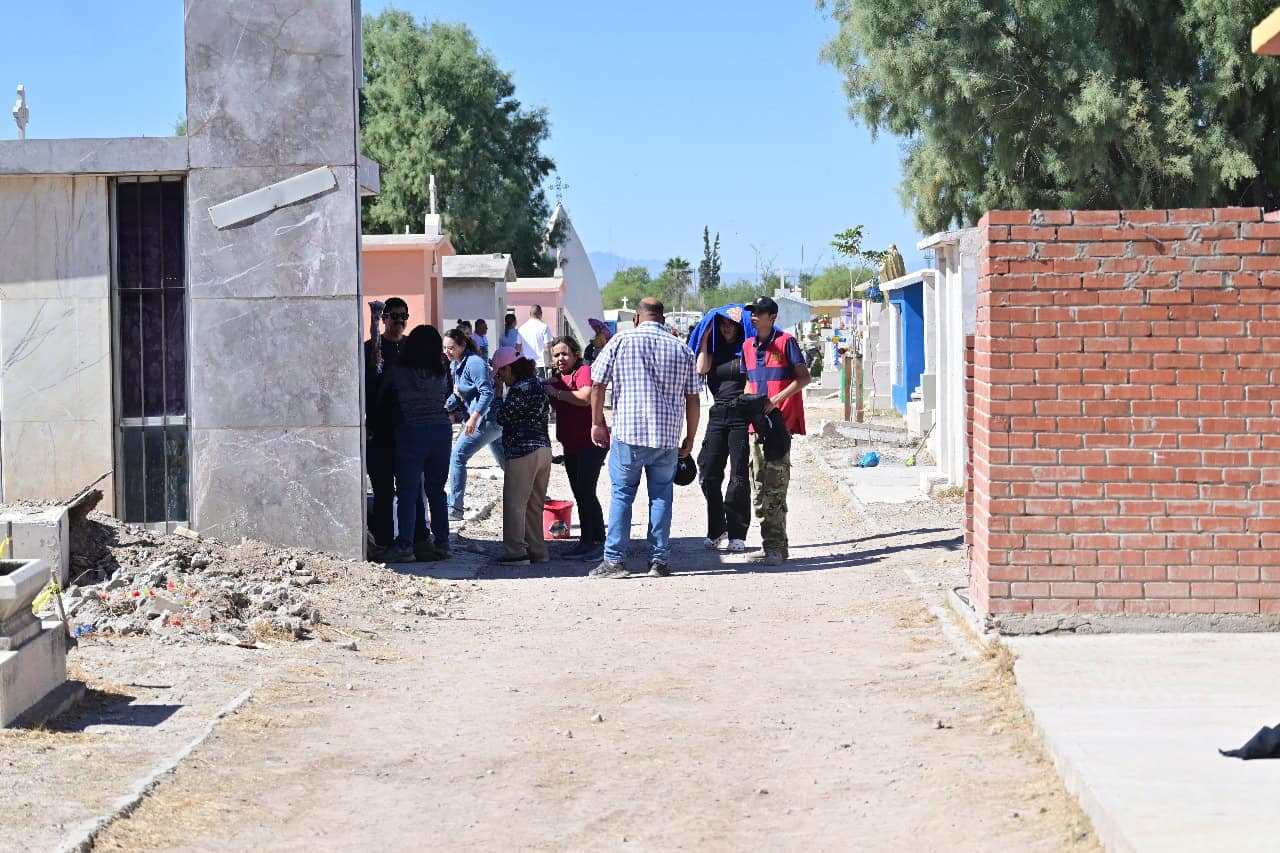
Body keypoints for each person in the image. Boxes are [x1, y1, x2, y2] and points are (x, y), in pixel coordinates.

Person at [589, 297, 702, 579]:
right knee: (662, 496)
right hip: (666, 437)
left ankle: (614, 561)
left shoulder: (620, 341)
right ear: (662, 320)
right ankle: (659, 561)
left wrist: (596, 423)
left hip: (628, 433)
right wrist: (690, 437)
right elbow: (693, 398)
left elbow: (597, 384)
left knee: (622, 495)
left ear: (637, 318)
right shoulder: (682, 348)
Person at [743, 296, 811, 566]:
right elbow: (750, 381)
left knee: (775, 486)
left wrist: (775, 401)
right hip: (755, 426)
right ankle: (773, 545)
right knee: (758, 487)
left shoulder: (785, 343)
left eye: (759, 312)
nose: (754, 316)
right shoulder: (748, 346)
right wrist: (749, 405)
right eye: (753, 312)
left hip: (779, 425)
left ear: (772, 317)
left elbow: (803, 377)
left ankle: (775, 547)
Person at [381, 325, 453, 564]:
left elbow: (382, 394)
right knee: (436, 491)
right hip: (441, 431)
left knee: (407, 493)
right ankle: (442, 543)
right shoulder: (442, 370)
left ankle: (405, 546)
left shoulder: (399, 370)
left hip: (411, 431)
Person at [364, 297, 425, 552]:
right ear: (384, 318)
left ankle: (418, 540)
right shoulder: (369, 349)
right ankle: (384, 541)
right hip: (379, 431)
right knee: (383, 490)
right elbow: (364, 388)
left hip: (407, 430)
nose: (399, 321)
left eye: (404, 317)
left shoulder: (413, 349)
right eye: (394, 316)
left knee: (411, 488)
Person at [545, 335, 606, 560]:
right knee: (582, 492)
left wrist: (556, 392)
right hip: (570, 445)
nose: (560, 358)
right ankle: (596, 538)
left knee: (585, 491)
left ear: (576, 354)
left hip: (591, 443)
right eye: (556, 355)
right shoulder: (556, 379)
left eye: (565, 354)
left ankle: (591, 541)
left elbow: (584, 397)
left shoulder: (583, 372)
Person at [490, 347, 552, 566]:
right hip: (543, 449)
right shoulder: (537, 384)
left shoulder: (519, 389)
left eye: (499, 373)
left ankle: (516, 552)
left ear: (508, 368)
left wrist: (498, 397)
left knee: (515, 503)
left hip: (522, 450)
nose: (499, 379)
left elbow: (503, 418)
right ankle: (538, 551)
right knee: (535, 505)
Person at [694, 312, 750, 553]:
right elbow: (701, 369)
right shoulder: (715, 350)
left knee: (738, 475)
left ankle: (737, 533)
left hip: (741, 414)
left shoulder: (746, 349)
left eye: (731, 324)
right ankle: (717, 528)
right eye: (722, 324)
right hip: (718, 414)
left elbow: (753, 380)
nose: (727, 328)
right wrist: (705, 338)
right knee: (707, 472)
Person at [444, 328, 504, 521]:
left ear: (462, 345)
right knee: (508, 463)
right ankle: (536, 496)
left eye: (451, 348)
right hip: (487, 419)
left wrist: (474, 417)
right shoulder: (456, 365)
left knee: (458, 456)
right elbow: (460, 393)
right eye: (444, 348)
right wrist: (444, 408)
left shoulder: (474, 363)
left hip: (488, 418)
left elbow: (487, 392)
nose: (447, 352)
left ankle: (455, 509)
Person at [517, 305, 553, 376]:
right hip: (540, 365)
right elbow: (547, 347)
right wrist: (549, 363)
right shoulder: (544, 327)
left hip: (526, 365)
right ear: (541, 314)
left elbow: (518, 348)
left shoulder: (521, 328)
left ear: (530, 314)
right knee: (541, 385)